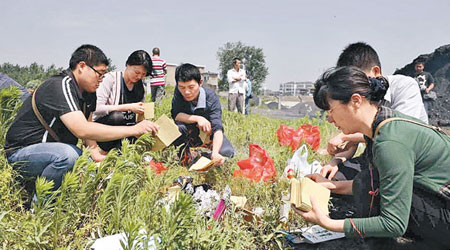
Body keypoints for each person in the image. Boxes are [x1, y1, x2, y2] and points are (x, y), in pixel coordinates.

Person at [294, 66, 450, 248]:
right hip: (441, 203)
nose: (329, 119)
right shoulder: (385, 124)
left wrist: (329, 223)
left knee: (366, 183)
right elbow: (385, 181)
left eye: (330, 111)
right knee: (367, 182)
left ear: (355, 101)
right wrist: (330, 185)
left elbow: (393, 223)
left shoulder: (390, 143)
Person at [4, 44, 158, 191]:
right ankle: (44, 206)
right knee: (69, 156)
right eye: (99, 74)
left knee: (93, 167)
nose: (101, 79)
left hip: (51, 152)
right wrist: (133, 130)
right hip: (22, 153)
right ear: (82, 66)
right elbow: (82, 130)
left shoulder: (89, 93)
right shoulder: (60, 85)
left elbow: (88, 123)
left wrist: (95, 153)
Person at [320, 42, 428, 180]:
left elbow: (398, 132)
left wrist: (345, 136)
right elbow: (356, 136)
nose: (353, 87)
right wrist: (336, 162)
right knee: (334, 178)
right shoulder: (361, 96)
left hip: (408, 160)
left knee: (364, 187)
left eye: (357, 80)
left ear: (375, 72)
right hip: (375, 157)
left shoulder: (404, 86)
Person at [171, 63, 234, 166]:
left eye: (191, 87)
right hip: (187, 132)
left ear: (200, 83)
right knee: (178, 128)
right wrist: (198, 118)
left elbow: (217, 128)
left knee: (227, 152)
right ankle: (185, 158)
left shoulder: (211, 98)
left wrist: (215, 153)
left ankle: (207, 155)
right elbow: (176, 115)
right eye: (182, 87)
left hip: (207, 134)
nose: (186, 92)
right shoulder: (178, 93)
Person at [93, 50, 152, 151]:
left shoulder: (140, 87)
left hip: (127, 131)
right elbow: (96, 108)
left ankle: (123, 150)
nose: (139, 77)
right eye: (136, 72)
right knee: (118, 117)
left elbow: (142, 114)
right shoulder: (110, 79)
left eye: (143, 74)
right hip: (104, 130)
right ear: (127, 65)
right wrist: (127, 107)